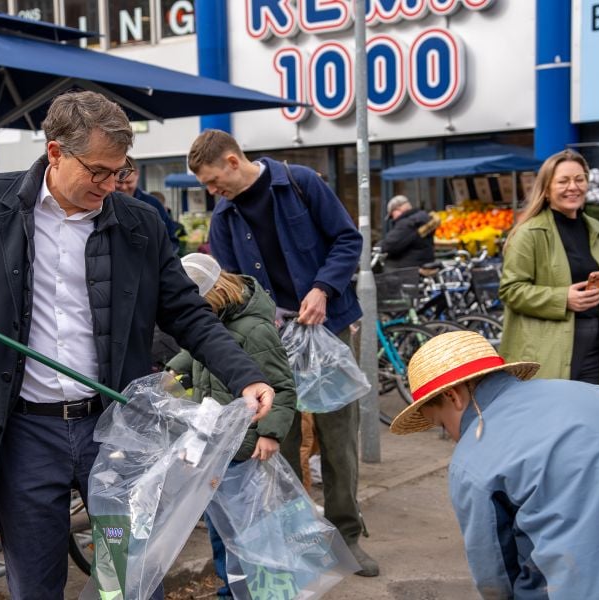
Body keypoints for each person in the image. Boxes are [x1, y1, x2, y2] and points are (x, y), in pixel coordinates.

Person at [0, 91, 276, 600]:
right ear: (54, 153)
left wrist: (246, 374)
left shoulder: (139, 224)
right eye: (98, 171)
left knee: (127, 580)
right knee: (36, 584)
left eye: (119, 172)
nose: (110, 185)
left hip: (115, 437)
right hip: (25, 437)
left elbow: (186, 312)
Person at [187, 129, 377, 577]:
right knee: (278, 442)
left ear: (233, 161)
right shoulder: (224, 217)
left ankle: (347, 537)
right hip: (271, 343)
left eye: (214, 181)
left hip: (325, 328)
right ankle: (295, 545)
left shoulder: (300, 183)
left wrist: (323, 288)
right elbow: (233, 285)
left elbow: (348, 240)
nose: (213, 192)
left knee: (338, 439)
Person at [390, 330, 599, 599]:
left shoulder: (470, 462)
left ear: (453, 396)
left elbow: (495, 574)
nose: (451, 436)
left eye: (442, 425)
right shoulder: (593, 395)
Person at [167, 253, 298, 599]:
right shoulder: (215, 326)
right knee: (219, 528)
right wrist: (168, 378)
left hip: (244, 448)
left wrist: (271, 433)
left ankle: (256, 591)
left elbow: (281, 385)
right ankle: (230, 590)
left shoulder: (254, 331)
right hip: (214, 447)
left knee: (249, 531)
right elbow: (192, 358)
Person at [499, 149, 599, 391]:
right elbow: (511, 290)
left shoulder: (595, 229)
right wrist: (563, 298)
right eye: (563, 181)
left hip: (598, 350)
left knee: (592, 417)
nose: (573, 187)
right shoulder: (529, 233)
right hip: (549, 351)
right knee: (556, 420)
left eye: (579, 179)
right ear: (547, 189)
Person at [114, 157, 180, 254]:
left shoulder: (153, 204)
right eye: (119, 182)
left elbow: (171, 240)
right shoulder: (102, 204)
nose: (124, 187)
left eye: (129, 182)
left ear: (137, 175)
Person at [379, 194, 439, 269]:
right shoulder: (422, 218)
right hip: (424, 260)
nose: (393, 219)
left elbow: (390, 245)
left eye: (391, 216)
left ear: (397, 209)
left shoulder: (407, 223)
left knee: (385, 269)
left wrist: (378, 246)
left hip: (411, 267)